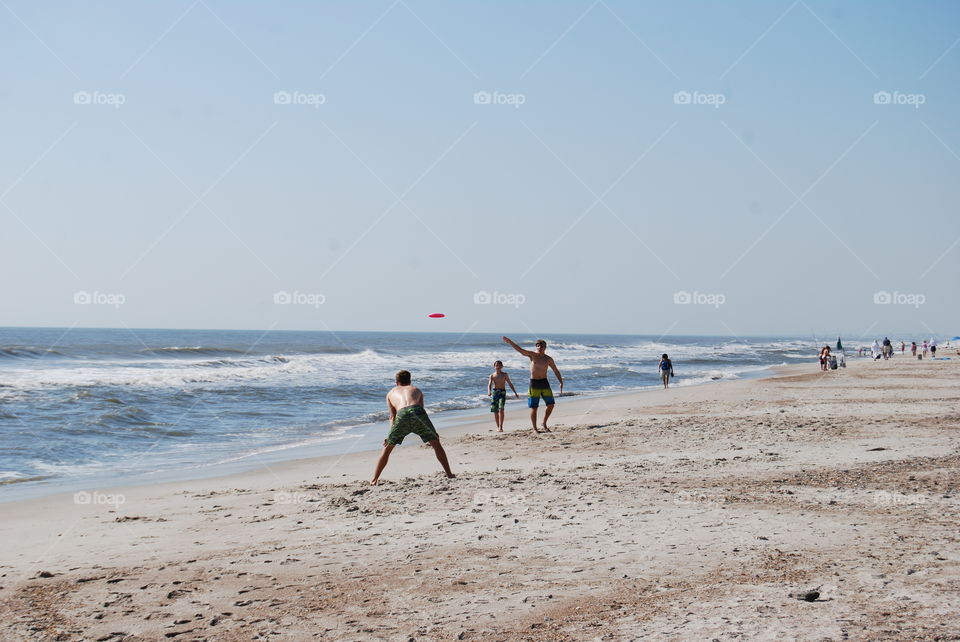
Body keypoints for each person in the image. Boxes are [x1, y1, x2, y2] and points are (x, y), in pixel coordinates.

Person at [370, 370, 455, 485]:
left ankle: (374, 479)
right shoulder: (416, 390)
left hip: (402, 414)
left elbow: (392, 417)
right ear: (410, 380)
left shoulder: (390, 393)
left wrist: (389, 435)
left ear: (396, 382)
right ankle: (449, 474)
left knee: (387, 448)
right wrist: (432, 432)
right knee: (436, 443)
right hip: (417, 412)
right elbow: (421, 410)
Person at [502, 336, 563, 433]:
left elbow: (556, 370)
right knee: (534, 407)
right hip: (534, 383)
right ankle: (535, 428)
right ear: (536, 347)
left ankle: (544, 423)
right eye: (538, 346)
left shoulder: (548, 359)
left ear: (545, 347)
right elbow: (520, 350)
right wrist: (510, 342)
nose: (540, 347)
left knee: (551, 404)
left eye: (542, 346)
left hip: (544, 383)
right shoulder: (532, 355)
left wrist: (560, 382)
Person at [487, 360, 519, 432]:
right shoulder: (492, 375)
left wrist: (515, 393)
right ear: (494, 366)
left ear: (502, 366)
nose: (498, 366)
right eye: (496, 365)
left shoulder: (504, 374)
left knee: (501, 409)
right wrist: (489, 392)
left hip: (502, 393)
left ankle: (501, 426)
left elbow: (510, 384)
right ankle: (498, 427)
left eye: (499, 365)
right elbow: (489, 384)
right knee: (495, 411)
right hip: (495, 393)